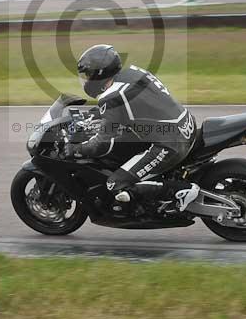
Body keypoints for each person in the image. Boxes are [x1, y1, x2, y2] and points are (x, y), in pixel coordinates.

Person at [66, 44, 200, 212]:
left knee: (115, 184)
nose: (86, 80)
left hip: (170, 143)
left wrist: (77, 149)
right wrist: (89, 116)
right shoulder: (133, 72)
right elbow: (120, 109)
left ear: (98, 73)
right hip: (186, 125)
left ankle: (179, 189)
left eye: (87, 75)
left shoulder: (111, 96)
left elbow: (102, 144)